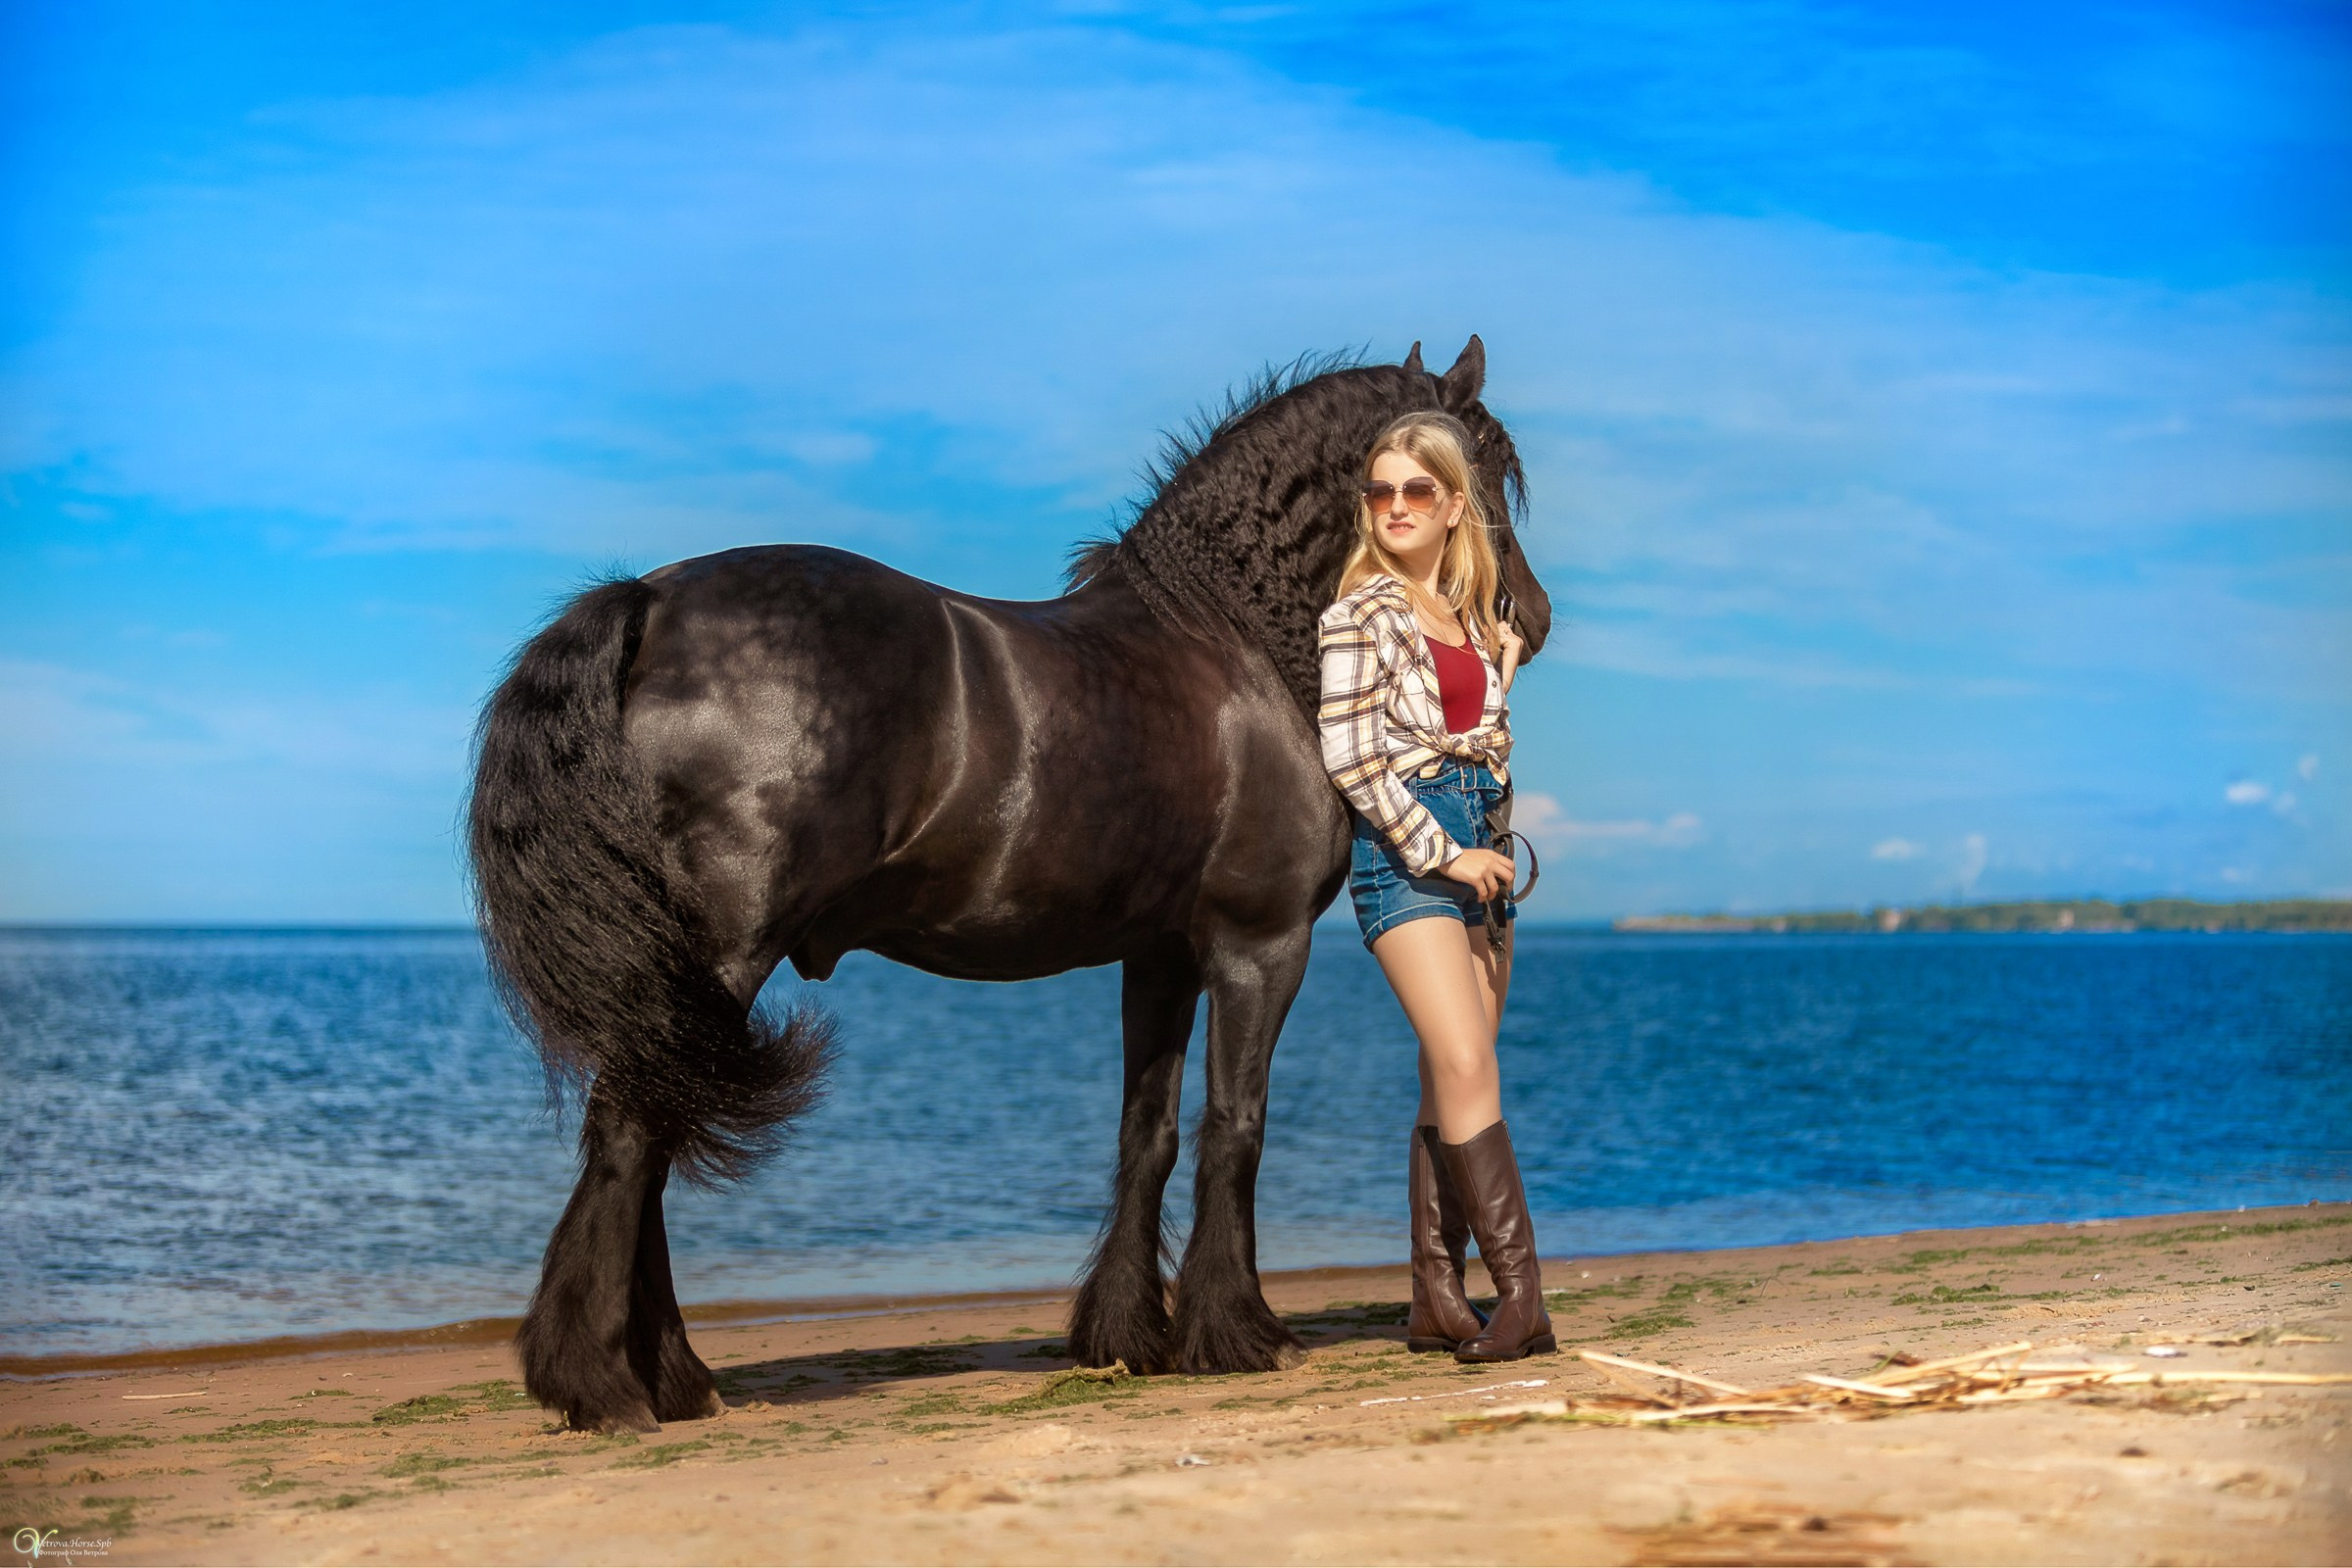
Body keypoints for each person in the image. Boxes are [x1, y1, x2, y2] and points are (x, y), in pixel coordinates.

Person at [1315, 411, 1554, 1363]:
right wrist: (1444, 853)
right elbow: (1352, 757)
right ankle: (1523, 1298)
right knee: (1466, 1064)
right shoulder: (1356, 615)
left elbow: (1479, 749)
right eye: (1381, 490)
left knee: (1445, 1078)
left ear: (1456, 505)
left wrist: (1495, 675)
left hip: (1483, 845)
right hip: (1404, 857)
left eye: (1418, 490)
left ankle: (1434, 1296)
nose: (1397, 506)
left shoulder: (1463, 619)